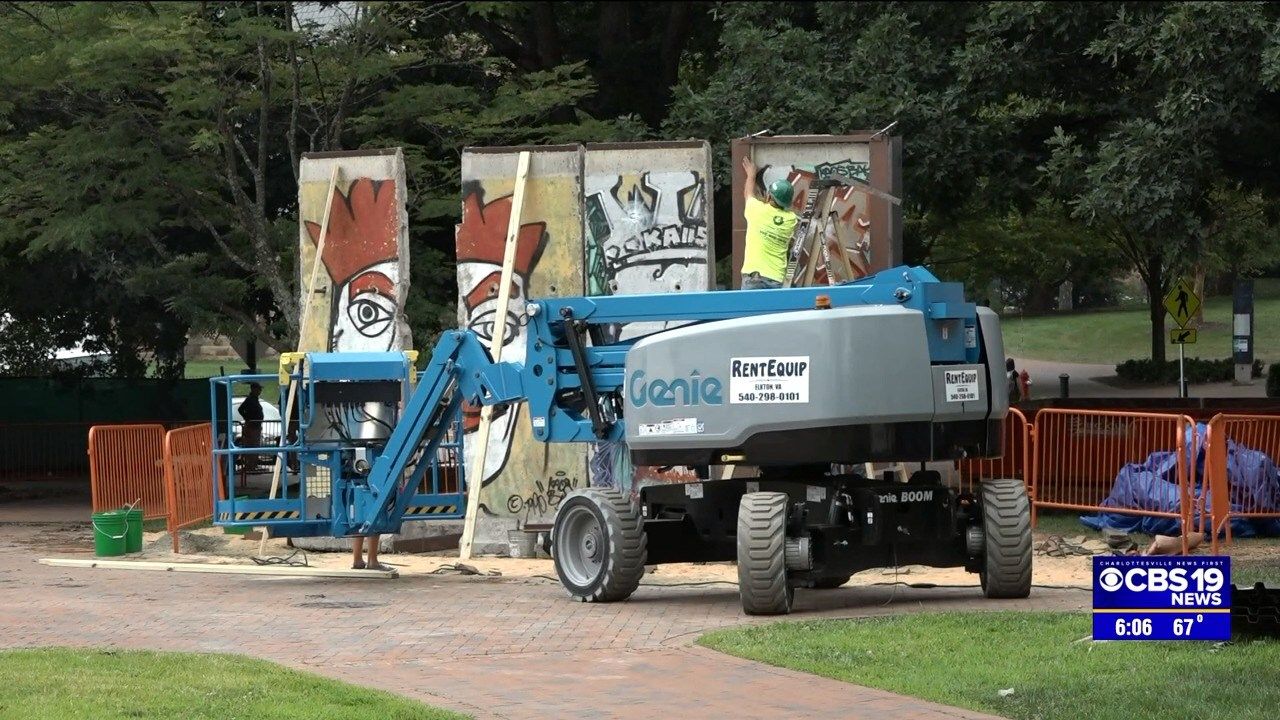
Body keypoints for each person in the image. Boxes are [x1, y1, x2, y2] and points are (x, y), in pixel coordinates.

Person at [739, 155, 799, 290]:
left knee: (751, 311)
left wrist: (751, 175)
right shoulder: (791, 220)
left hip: (754, 277)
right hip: (776, 279)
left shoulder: (756, 210)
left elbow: (748, 193)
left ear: (769, 196)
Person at [238, 382, 265, 471]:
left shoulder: (255, 399)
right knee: (251, 446)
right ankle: (250, 466)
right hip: (252, 427)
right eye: (258, 389)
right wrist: (248, 419)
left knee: (255, 446)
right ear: (253, 389)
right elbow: (240, 409)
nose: (260, 391)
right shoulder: (250, 399)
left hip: (256, 426)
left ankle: (253, 465)